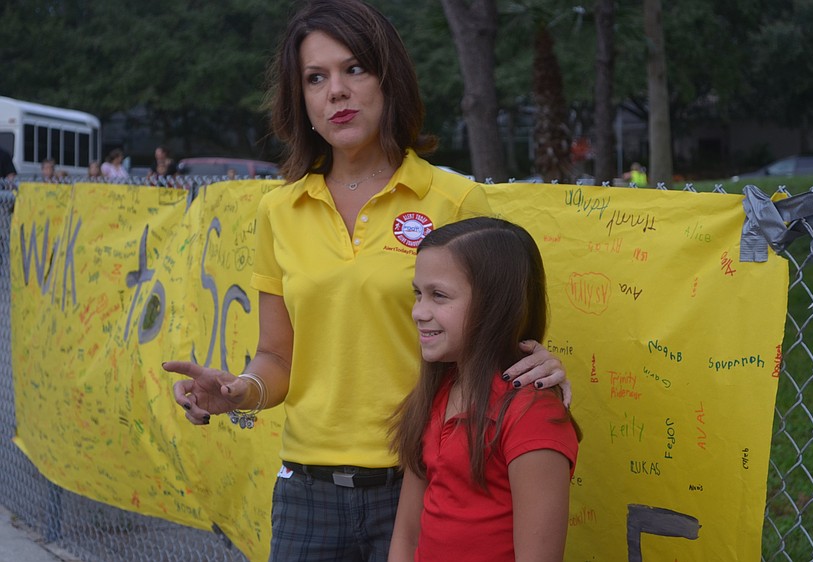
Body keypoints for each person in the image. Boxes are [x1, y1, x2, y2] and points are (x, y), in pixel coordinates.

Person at [163, 1, 570, 560]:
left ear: (389, 80)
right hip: (306, 493)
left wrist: (538, 363)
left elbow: (489, 337)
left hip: (423, 480)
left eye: (355, 69)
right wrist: (238, 391)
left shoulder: (454, 200)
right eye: (315, 77)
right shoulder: (278, 211)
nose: (337, 90)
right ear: (301, 100)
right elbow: (276, 358)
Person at [388, 217, 579, 562]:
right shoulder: (439, 390)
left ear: (495, 305)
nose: (418, 312)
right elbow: (406, 534)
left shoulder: (532, 413)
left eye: (439, 296)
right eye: (418, 293)